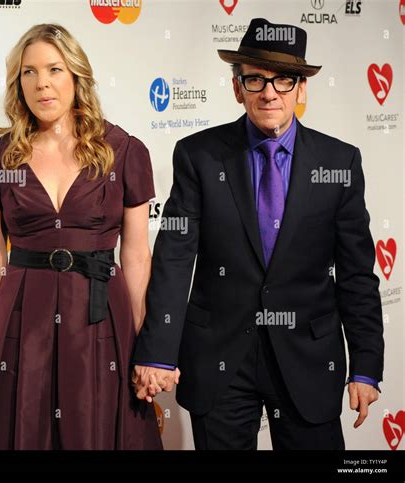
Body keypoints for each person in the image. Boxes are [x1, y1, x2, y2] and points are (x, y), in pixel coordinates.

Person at [132, 18, 383, 450]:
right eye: (256, 79)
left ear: (302, 90)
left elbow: (357, 273)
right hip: (220, 359)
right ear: (237, 88)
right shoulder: (197, 156)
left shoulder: (340, 161)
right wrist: (157, 351)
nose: (270, 93)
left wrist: (365, 365)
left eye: (284, 80)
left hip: (309, 357)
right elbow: (175, 258)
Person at [0, 23, 162, 450]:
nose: (42, 84)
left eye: (54, 69)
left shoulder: (123, 150)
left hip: (99, 317)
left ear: (76, 75)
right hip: (23, 317)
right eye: (29, 72)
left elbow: (138, 255)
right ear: (18, 83)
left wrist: (143, 347)